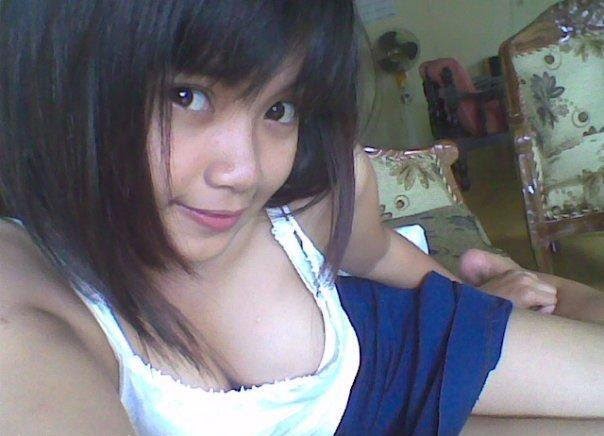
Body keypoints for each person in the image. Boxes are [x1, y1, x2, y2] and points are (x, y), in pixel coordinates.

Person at [0, 1, 602, 435]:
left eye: (278, 109)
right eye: (187, 96)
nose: (246, 172)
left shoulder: (313, 192)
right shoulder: (27, 282)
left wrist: (479, 301)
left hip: (393, 355)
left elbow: (377, 253)